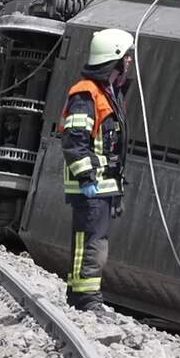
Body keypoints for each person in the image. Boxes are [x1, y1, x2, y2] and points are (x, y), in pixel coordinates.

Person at [60, 28, 134, 311]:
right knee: (89, 241)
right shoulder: (86, 94)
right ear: (114, 57)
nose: (129, 60)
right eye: (126, 55)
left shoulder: (108, 93)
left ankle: (82, 294)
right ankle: (85, 298)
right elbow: (74, 140)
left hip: (103, 184)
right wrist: (85, 177)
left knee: (94, 240)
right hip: (91, 185)